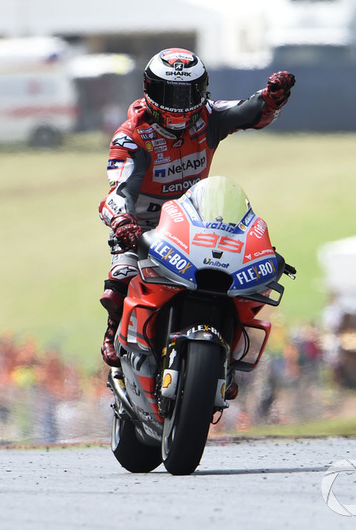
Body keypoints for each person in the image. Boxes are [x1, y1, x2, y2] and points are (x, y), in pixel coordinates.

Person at [96, 47, 296, 374]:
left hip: (195, 220)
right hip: (142, 226)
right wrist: (122, 222)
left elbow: (248, 111)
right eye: (168, 93)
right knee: (122, 275)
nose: (178, 103)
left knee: (232, 278)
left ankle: (224, 361)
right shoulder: (131, 136)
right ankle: (114, 331)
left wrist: (272, 99)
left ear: (202, 91)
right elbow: (117, 192)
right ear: (148, 90)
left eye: (187, 93)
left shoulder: (209, 117)